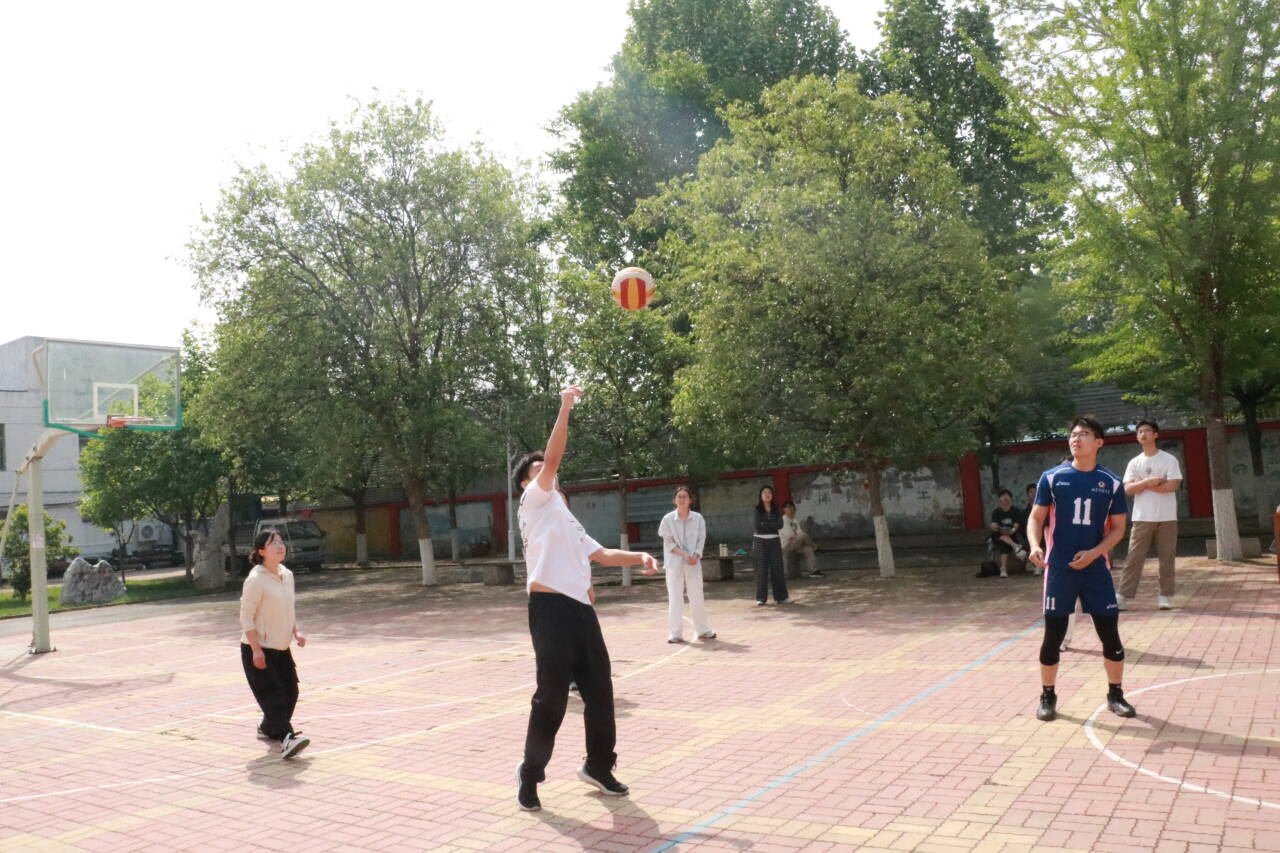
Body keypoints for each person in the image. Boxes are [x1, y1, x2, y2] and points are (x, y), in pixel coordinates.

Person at [513, 385, 660, 812]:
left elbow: (602, 554)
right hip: (550, 610)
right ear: (526, 482)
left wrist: (640, 556)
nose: (548, 471)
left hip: (581, 611)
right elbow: (553, 457)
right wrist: (565, 407)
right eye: (539, 469)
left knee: (600, 691)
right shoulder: (533, 502)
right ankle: (530, 773)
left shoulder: (566, 517)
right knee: (552, 698)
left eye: (546, 469)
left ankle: (598, 766)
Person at [1026, 415, 1136, 722]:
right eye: (1073, 434)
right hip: (1059, 569)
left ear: (1099, 442)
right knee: (1054, 634)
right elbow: (1036, 518)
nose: (1076, 438)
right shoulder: (1052, 478)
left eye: (1084, 434)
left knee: (1109, 633)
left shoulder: (1111, 482)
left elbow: (1118, 528)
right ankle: (1047, 696)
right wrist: (1035, 545)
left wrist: (1094, 553)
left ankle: (1116, 695)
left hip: (1095, 569)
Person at [239, 528, 310, 759]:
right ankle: (287, 739)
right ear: (261, 551)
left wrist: (296, 631)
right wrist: (256, 650)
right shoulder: (256, 580)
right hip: (258, 648)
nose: (280, 546)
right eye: (273, 543)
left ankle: (268, 728)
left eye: (281, 542)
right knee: (274, 695)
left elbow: (288, 608)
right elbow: (246, 617)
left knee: (291, 692)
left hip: (281, 647)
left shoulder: (286, 574)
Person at [1119, 420, 1182, 611]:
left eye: (1147, 431)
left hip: (1167, 516)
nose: (1143, 434)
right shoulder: (1134, 462)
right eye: (1139, 432)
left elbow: (1172, 486)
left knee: (1167, 557)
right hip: (1142, 517)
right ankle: (1122, 595)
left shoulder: (1169, 459)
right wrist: (1151, 482)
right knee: (1134, 556)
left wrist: (1142, 484)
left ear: (1155, 435)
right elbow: (1128, 489)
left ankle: (1165, 596)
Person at [659, 486, 714, 643]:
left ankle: (703, 630)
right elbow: (668, 542)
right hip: (674, 562)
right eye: (679, 496)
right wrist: (684, 554)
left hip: (693, 562)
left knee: (697, 596)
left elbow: (701, 539)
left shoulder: (698, 518)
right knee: (675, 597)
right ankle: (675, 634)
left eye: (685, 496)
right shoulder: (667, 519)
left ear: (690, 500)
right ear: (674, 500)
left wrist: (696, 555)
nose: (682, 499)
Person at [752, 486, 789, 605]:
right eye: (765, 492)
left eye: (769, 492)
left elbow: (780, 525)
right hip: (760, 541)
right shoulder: (757, 509)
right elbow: (758, 526)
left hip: (774, 541)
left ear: (772, 495)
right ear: (761, 496)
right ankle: (761, 598)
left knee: (777, 569)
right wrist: (772, 524)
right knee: (761, 570)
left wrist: (766, 523)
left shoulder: (776, 509)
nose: (767, 494)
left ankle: (781, 597)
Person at [986, 489, 1026, 578]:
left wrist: (1011, 531)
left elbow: (1016, 526)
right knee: (996, 534)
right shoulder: (996, 512)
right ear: (999, 499)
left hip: (1012, 534)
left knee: (1004, 545)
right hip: (999, 534)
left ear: (1011, 498)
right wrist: (997, 527)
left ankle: (1003, 569)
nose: (1005, 497)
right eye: (1003, 496)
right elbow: (994, 525)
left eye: (1007, 495)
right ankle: (1015, 546)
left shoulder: (1015, 511)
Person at [780, 499, 823, 578]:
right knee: (803, 535)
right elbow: (790, 535)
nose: (789, 508)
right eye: (787, 507)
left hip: (796, 544)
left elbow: (798, 534)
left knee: (808, 549)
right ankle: (815, 547)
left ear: (794, 508)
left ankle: (813, 571)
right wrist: (797, 536)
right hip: (786, 546)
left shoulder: (794, 520)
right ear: (783, 509)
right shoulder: (783, 519)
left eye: (791, 506)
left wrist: (797, 536)